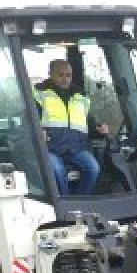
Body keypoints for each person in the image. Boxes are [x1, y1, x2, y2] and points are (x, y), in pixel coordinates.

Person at [33, 59, 108, 196]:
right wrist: (39, 131)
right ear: (51, 74)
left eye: (68, 75)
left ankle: (80, 200)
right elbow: (31, 120)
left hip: (76, 148)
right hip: (51, 148)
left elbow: (89, 125)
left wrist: (99, 130)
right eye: (60, 75)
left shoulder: (80, 97)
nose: (65, 79)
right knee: (57, 170)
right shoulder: (40, 94)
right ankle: (66, 202)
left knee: (93, 168)